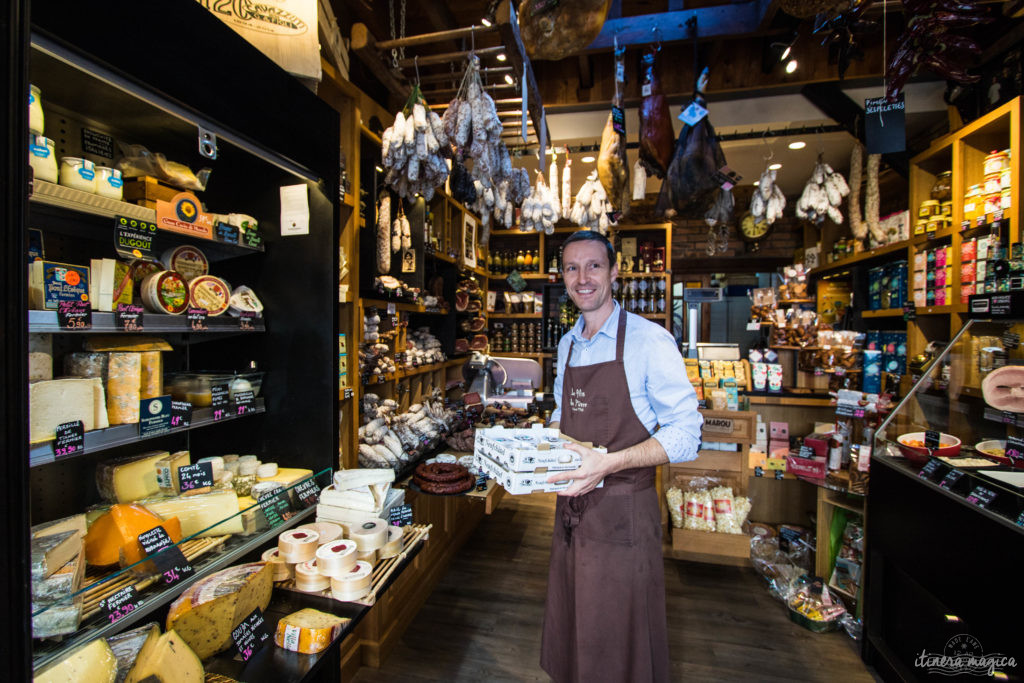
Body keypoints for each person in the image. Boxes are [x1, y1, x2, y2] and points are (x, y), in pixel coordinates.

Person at [540, 230, 702, 683]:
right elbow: (561, 414)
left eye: (593, 266)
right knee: (575, 627)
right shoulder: (568, 344)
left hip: (624, 516)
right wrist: (536, 450)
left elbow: (687, 435)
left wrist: (607, 464)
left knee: (620, 638)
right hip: (572, 511)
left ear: (614, 272)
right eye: (572, 268)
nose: (582, 278)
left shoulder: (649, 341)